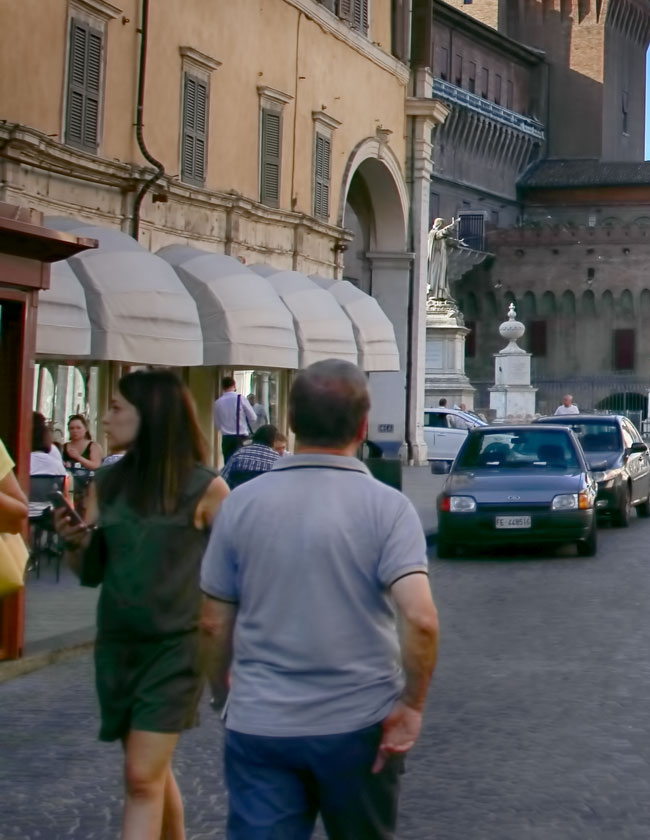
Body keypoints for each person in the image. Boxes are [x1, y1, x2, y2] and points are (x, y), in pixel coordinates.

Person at [199, 359, 438, 840]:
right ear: (363, 425)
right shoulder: (388, 507)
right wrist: (411, 704)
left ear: (291, 422)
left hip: (262, 720)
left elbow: (211, 622)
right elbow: (420, 619)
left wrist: (226, 693)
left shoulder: (241, 504)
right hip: (358, 721)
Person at [52, 369, 229, 840]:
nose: (104, 419)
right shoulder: (107, 484)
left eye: (115, 408)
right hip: (117, 647)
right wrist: (73, 543)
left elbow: (237, 569)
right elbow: (90, 573)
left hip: (175, 649)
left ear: (149, 416)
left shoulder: (206, 487)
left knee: (140, 778)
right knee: (149, 772)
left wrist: (230, 644)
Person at [221, 425, 286, 489]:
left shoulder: (239, 454)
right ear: (273, 441)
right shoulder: (277, 460)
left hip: (239, 496)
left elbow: (223, 479)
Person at [213, 376, 260, 462]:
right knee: (241, 464)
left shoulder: (218, 402)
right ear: (234, 385)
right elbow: (253, 417)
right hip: (240, 437)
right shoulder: (240, 398)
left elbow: (217, 424)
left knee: (228, 464)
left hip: (226, 439)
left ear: (222, 387)